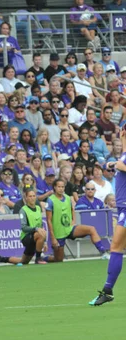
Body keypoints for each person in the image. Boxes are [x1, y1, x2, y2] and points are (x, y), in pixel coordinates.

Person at [90, 126, 126, 305]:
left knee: (116, 248)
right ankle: (107, 290)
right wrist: (113, 164)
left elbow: (119, 165)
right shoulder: (124, 155)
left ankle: (108, 290)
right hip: (122, 208)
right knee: (116, 248)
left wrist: (116, 164)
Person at [46, 178, 107, 263]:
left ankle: (103, 252)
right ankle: (45, 258)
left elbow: (72, 210)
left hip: (69, 229)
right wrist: (52, 237)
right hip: (58, 232)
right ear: (55, 187)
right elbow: (48, 220)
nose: (61, 189)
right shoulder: (50, 200)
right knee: (59, 259)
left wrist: (73, 220)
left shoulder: (67, 198)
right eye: (59, 187)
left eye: (63, 187)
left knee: (91, 229)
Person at [0, 189, 48, 266]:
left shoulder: (38, 208)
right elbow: (23, 227)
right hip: (26, 237)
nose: (32, 198)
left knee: (23, 262)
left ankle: (0, 258)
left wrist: (44, 242)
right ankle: (38, 258)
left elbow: (40, 225)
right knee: (39, 233)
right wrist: (36, 229)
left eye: (34, 196)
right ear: (26, 198)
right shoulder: (23, 210)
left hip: (36, 237)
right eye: (30, 196)